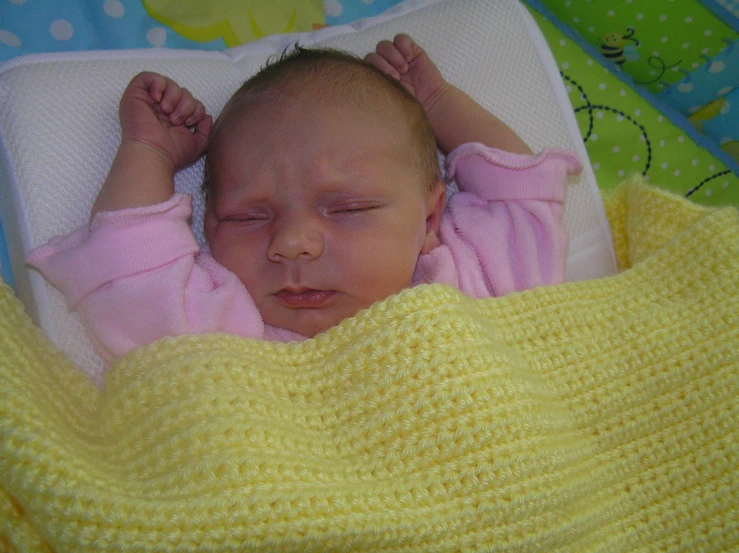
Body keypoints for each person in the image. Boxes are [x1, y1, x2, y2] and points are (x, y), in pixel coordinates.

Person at [27, 34, 581, 366]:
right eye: (249, 216)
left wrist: (438, 103)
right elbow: (129, 271)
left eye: (348, 209)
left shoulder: (470, 280)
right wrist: (146, 151)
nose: (292, 243)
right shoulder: (222, 333)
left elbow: (521, 195)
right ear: (207, 228)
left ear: (431, 217)